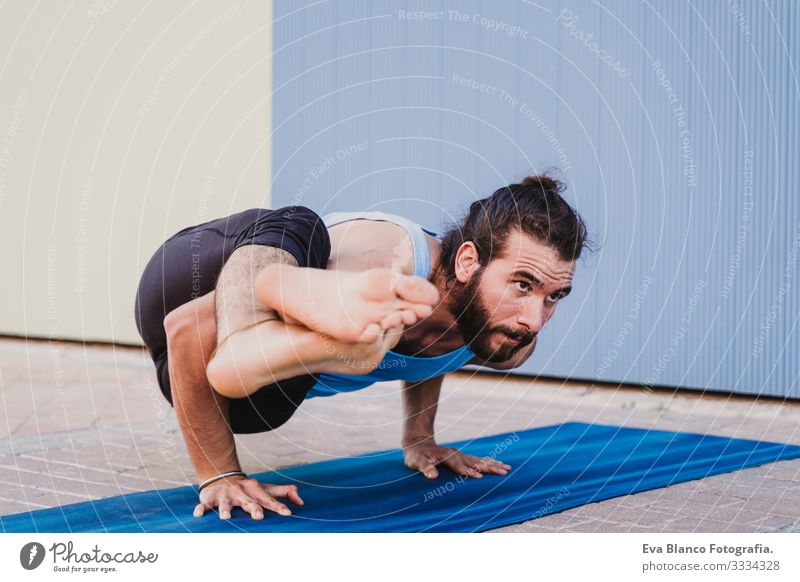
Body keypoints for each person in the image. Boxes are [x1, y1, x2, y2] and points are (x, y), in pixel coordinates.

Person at [134, 174, 588, 520]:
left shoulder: (504, 337)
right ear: (468, 260)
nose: (535, 318)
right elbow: (185, 326)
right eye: (523, 285)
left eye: (553, 296)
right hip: (186, 280)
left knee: (267, 404)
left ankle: (294, 337)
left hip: (204, 384)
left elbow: (439, 347)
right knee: (301, 225)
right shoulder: (389, 256)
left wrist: (420, 437)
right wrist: (220, 476)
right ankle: (272, 301)